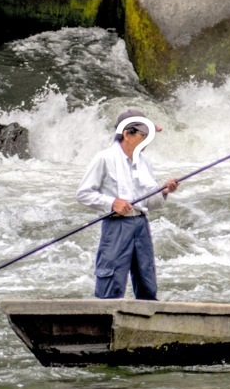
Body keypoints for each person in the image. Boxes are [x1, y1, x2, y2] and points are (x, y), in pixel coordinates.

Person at [76, 108, 179, 300]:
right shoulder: (104, 159)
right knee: (110, 283)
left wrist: (163, 191)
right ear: (126, 134)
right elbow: (83, 194)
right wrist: (112, 203)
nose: (148, 139)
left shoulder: (144, 161)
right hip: (116, 226)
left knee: (147, 282)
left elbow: (149, 201)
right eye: (144, 134)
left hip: (141, 224)